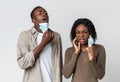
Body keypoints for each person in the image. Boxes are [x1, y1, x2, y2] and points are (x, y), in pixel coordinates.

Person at [17, 6, 62, 82]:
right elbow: (22, 63)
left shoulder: (56, 36)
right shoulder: (25, 35)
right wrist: (43, 43)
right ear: (34, 20)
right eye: (40, 13)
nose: (44, 14)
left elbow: (59, 64)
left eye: (45, 13)